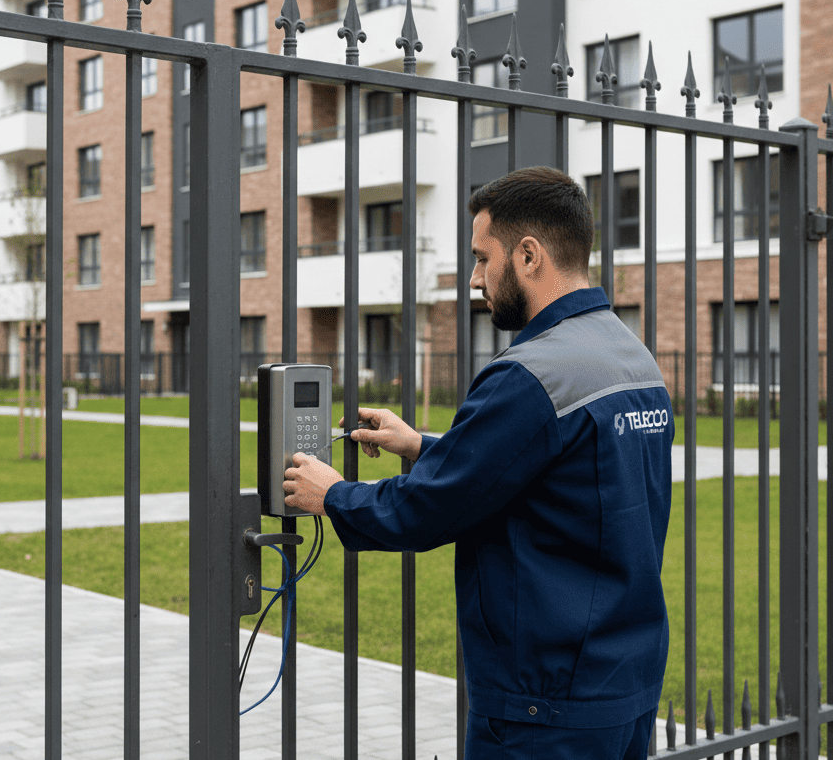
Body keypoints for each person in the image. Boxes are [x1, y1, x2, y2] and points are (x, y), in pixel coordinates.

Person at [283, 166, 672, 760]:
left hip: (544, 705)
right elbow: (556, 471)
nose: (473, 278)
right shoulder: (631, 356)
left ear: (528, 255)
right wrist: (422, 446)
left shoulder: (531, 374)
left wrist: (333, 495)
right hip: (625, 687)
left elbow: (426, 511)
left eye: (482, 258)